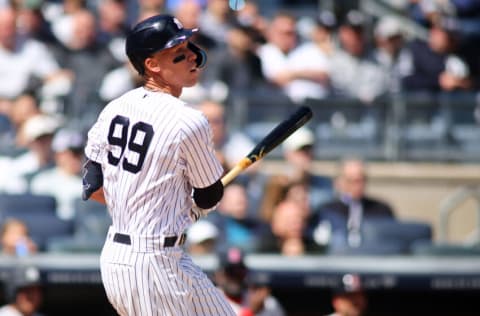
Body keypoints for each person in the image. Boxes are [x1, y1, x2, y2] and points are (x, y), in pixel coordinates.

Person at [81, 14, 235, 315]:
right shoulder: (188, 120)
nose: (192, 55)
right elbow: (209, 195)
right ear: (151, 65)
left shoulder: (115, 107)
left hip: (126, 255)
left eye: (190, 46)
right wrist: (191, 209)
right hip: (153, 262)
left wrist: (149, 209)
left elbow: (93, 185)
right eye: (179, 52)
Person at [308, 158, 396, 254]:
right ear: (338, 182)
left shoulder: (381, 210)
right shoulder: (326, 211)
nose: (357, 186)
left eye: (361, 180)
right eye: (351, 181)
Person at [214, 247, 286, 316]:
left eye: (240, 271)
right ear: (219, 275)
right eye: (231, 272)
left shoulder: (268, 303)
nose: (236, 277)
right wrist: (251, 311)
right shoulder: (211, 301)